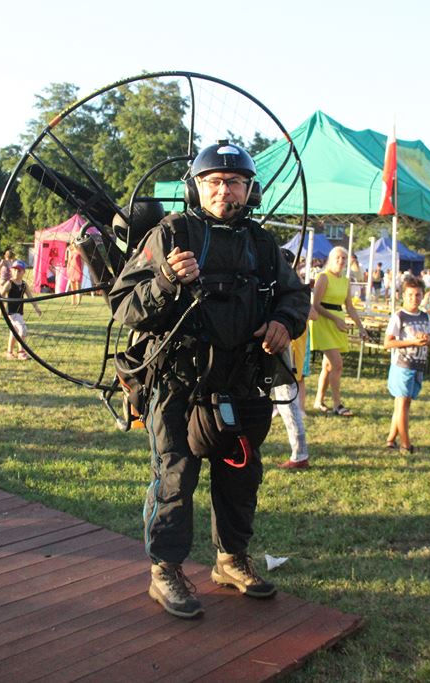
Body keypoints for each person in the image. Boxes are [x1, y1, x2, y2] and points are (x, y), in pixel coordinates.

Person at [109, 140, 309, 619]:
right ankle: (166, 570)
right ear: (195, 187)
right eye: (213, 182)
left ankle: (230, 559)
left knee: (240, 474)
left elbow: (294, 296)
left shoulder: (261, 243)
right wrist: (162, 281)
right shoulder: (171, 233)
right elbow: (123, 305)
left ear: (249, 189)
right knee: (175, 476)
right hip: (178, 381)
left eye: (234, 182)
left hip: (242, 382)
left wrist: (285, 320)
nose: (224, 191)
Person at [310, 246, 369, 417]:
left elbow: (349, 307)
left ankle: (318, 401)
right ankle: (337, 404)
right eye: (338, 257)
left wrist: (360, 327)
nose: (341, 261)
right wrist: (335, 319)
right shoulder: (323, 277)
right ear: (330, 258)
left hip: (338, 324)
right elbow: (316, 305)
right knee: (337, 364)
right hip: (324, 323)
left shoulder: (345, 281)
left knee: (328, 366)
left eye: (344, 258)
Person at [384, 276, 430, 454]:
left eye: (417, 295)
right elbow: (388, 343)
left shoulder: (425, 317)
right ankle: (406, 444)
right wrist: (412, 342)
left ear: (422, 296)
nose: (414, 298)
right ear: (403, 295)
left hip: (418, 365)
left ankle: (391, 438)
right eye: (410, 295)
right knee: (402, 404)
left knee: (403, 404)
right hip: (402, 365)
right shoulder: (399, 316)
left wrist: (427, 340)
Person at [273, 249, 311, 471]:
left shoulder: (288, 292)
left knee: (288, 404)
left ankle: (300, 454)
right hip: (275, 353)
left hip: (282, 355)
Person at [0, 260, 34, 360]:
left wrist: (36, 307)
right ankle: (21, 352)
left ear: (24, 272)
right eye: (14, 270)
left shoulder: (24, 285)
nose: (16, 273)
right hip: (12, 313)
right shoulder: (9, 283)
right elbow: (0, 297)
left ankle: (9, 352)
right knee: (22, 329)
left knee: (13, 332)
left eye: (19, 271)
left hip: (19, 313)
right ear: (11, 270)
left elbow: (30, 297)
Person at [65, 241, 84, 306]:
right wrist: (67, 270)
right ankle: (73, 302)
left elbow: (82, 263)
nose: (74, 244)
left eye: (75, 243)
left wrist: (82, 270)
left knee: (78, 287)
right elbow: (68, 262)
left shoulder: (80, 253)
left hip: (78, 271)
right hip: (71, 270)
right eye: (73, 243)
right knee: (72, 288)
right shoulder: (71, 252)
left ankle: (78, 302)